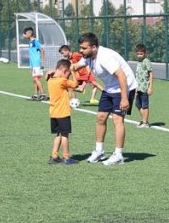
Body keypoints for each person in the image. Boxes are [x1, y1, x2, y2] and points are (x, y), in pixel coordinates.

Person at [78, 32, 137, 166]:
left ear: (93, 47)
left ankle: (118, 155)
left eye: (83, 48)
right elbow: (75, 66)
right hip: (109, 87)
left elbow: (122, 76)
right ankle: (99, 151)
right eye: (80, 47)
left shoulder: (105, 58)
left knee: (117, 119)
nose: (81, 50)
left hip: (124, 87)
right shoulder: (88, 56)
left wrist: (124, 98)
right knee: (100, 117)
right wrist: (58, 71)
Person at [46, 58, 80, 164]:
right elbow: (75, 84)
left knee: (58, 135)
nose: (68, 76)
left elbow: (49, 75)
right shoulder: (62, 80)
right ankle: (66, 157)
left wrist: (51, 72)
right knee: (65, 135)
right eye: (68, 74)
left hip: (53, 113)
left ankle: (54, 156)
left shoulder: (50, 80)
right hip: (63, 113)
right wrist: (73, 71)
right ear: (64, 71)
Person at [132, 43, 155, 128]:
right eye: (138, 54)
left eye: (141, 54)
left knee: (145, 105)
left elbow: (151, 74)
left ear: (145, 53)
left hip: (144, 88)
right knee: (137, 104)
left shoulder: (146, 62)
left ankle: (145, 122)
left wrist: (150, 87)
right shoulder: (139, 62)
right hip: (138, 88)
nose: (139, 55)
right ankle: (145, 120)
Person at [23, 27, 45, 101]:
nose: (24, 35)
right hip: (34, 64)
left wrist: (42, 62)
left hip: (37, 63)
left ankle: (43, 95)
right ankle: (36, 95)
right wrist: (31, 66)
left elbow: (42, 50)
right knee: (34, 80)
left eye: (25, 34)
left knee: (36, 79)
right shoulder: (31, 42)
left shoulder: (35, 41)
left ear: (29, 33)